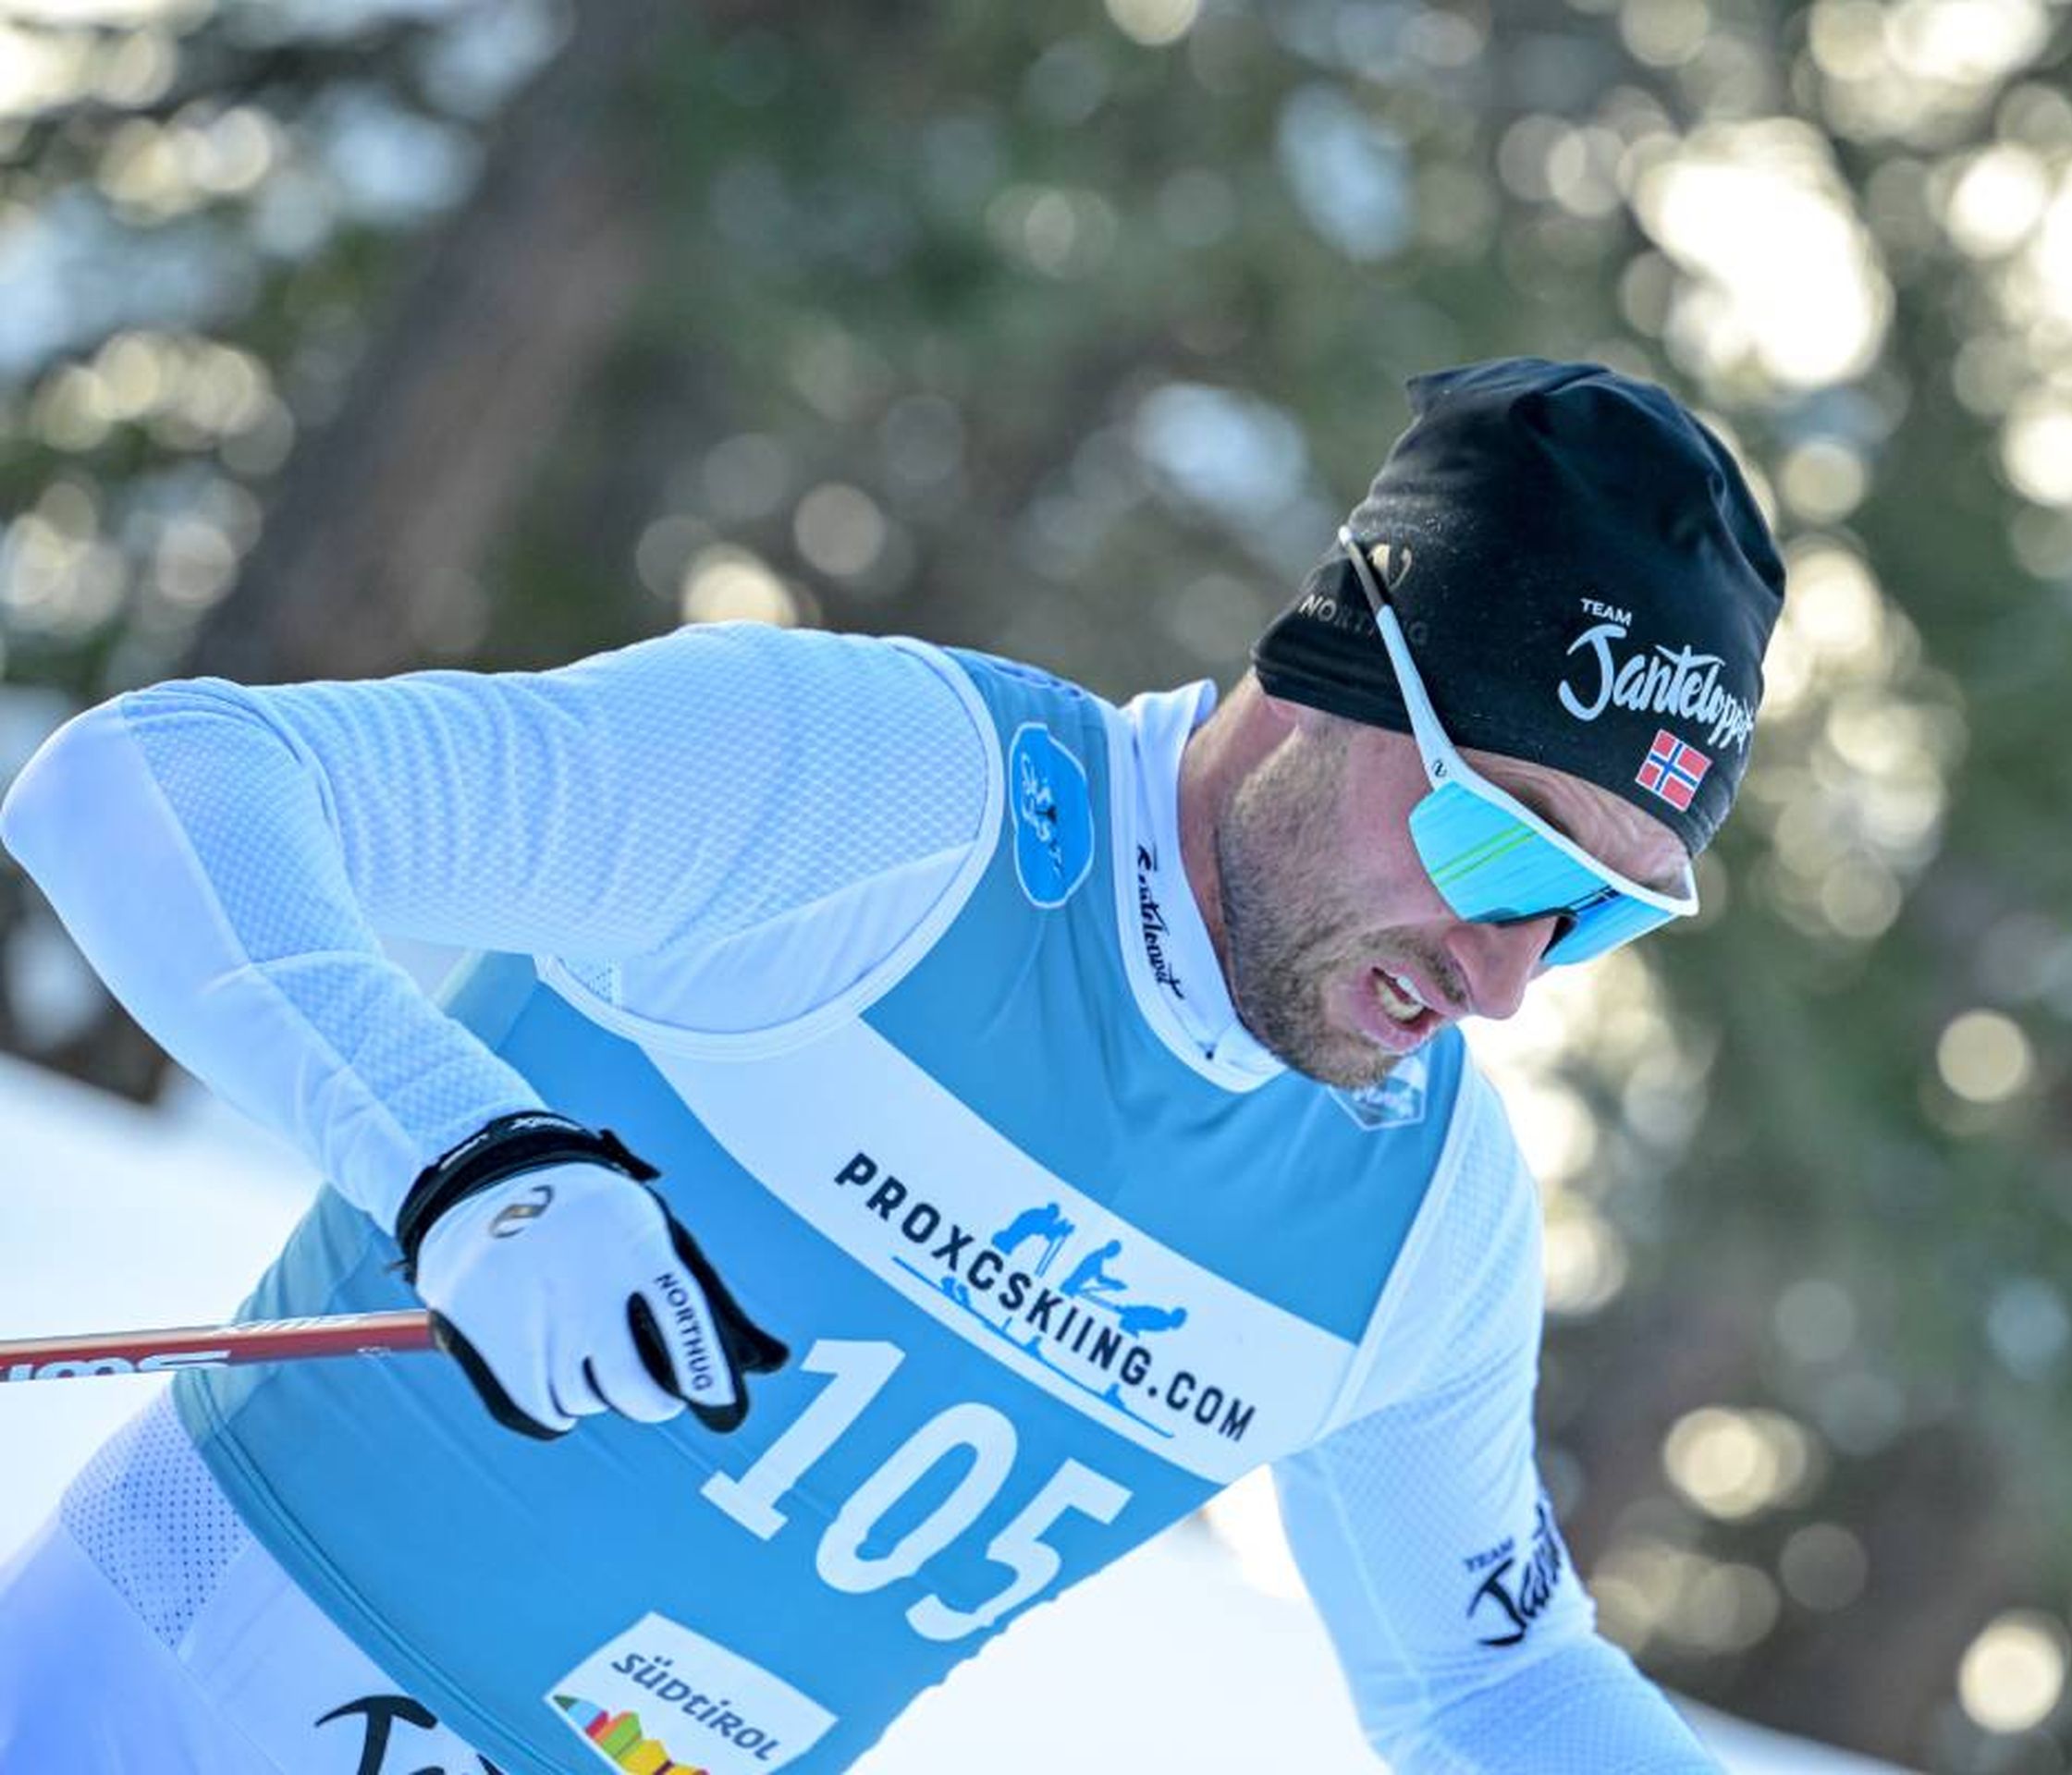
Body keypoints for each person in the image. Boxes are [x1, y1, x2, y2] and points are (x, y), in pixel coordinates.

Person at [0, 357, 1784, 1774]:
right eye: (1501, 854)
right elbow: (151, 784)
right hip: (139, 1700)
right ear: (1337, 664)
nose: (1503, 983)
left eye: (1594, 919)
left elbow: (1492, 1689)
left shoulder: (1424, 1224)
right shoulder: (882, 794)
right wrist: (467, 1151)